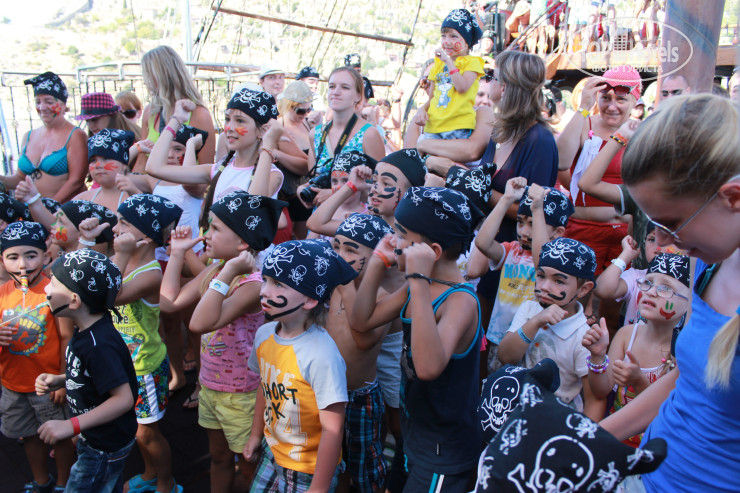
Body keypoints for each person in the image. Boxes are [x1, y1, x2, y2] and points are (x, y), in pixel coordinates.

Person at [598, 94, 740, 493]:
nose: (660, 242)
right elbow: (688, 381)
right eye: (653, 225)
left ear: (732, 198)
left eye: (671, 223)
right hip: (647, 475)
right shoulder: (710, 262)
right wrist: (588, 441)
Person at [351, 187, 482, 492]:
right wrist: (376, 263)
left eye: (401, 234)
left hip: (443, 452)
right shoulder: (419, 287)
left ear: (432, 252)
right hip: (415, 437)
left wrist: (418, 281)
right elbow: (361, 321)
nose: (393, 241)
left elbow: (427, 368)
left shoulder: (460, 301)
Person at [161, 189, 285, 493]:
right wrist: (177, 254)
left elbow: (199, 323)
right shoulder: (217, 271)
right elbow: (169, 303)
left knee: (249, 466)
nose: (206, 234)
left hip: (242, 394)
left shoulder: (252, 285)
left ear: (242, 242)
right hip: (211, 386)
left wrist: (228, 271)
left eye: (215, 228)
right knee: (218, 457)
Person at [76, 195, 183, 493]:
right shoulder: (120, 261)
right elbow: (85, 282)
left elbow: (107, 296)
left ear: (146, 236)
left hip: (144, 366)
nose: (114, 228)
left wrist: (120, 253)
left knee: (146, 433)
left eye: (124, 223)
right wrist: (86, 241)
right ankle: (150, 474)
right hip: (123, 363)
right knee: (137, 431)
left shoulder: (150, 273)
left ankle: (166, 483)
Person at [244, 239, 357, 492]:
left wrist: (319, 487)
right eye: (265, 280)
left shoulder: (322, 356)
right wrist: (255, 435)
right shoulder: (264, 335)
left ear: (309, 300)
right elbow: (265, 387)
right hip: (272, 450)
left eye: (278, 284)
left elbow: (333, 428)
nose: (264, 291)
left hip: (308, 468)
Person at [35, 249, 138, 493]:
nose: (46, 289)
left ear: (74, 300)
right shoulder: (86, 330)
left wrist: (70, 426)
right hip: (94, 436)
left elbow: (123, 399)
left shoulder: (98, 344)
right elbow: (93, 375)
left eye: (53, 284)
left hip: (103, 445)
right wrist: (62, 379)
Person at [557, 65, 642, 324]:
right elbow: (561, 161)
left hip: (625, 237)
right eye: (606, 97)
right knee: (572, 307)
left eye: (621, 99)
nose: (612, 106)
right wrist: (583, 107)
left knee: (611, 313)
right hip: (584, 229)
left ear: (635, 101)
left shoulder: (643, 132)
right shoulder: (586, 123)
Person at [583, 253, 690, 447]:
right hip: (616, 442)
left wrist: (639, 381)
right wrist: (597, 356)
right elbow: (601, 390)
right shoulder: (626, 335)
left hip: (653, 448)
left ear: (690, 304)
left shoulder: (682, 352)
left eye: (666, 288)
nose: (651, 292)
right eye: (648, 283)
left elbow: (669, 413)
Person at [0, 222, 74, 493]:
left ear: (46, 256)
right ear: (2, 260)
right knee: (29, 435)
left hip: (48, 386)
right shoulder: (2, 295)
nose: (22, 265)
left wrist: (63, 379)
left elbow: (66, 337)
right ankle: (41, 481)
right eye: (13, 257)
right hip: (12, 385)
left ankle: (64, 484)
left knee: (59, 437)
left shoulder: (54, 293)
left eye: (31, 255)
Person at [145, 91, 283, 232]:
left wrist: (268, 144)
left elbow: (251, 209)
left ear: (263, 130)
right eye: (227, 119)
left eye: (240, 121)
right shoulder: (218, 170)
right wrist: (176, 120)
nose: (229, 127)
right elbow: (154, 168)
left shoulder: (272, 174)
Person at [498, 237, 603, 420]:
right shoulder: (529, 310)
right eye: (541, 276)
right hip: (517, 414)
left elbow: (594, 398)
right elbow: (505, 356)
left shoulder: (584, 337)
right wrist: (535, 322)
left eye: (559, 281)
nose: (545, 287)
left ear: (584, 289)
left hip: (558, 423)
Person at [475, 178, 573, 373]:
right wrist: (506, 199)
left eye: (533, 224)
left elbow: (542, 262)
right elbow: (483, 243)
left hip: (534, 342)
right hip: (501, 338)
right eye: (520, 222)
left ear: (558, 232)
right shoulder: (512, 250)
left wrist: (538, 209)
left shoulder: (558, 263)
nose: (524, 231)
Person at [326, 213, 394, 493]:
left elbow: (364, 340)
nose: (340, 256)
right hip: (326, 392)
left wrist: (346, 288)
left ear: (377, 256)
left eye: (351, 250)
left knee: (366, 467)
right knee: (333, 461)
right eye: (336, 247)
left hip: (360, 396)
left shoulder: (382, 296)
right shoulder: (331, 287)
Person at [297, 67, 385, 208]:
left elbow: (380, 187)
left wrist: (334, 194)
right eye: (332, 86)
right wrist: (302, 190)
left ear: (358, 96)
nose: (336, 92)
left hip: (353, 217)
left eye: (345, 87)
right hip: (321, 217)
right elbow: (314, 180)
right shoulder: (315, 134)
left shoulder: (369, 134)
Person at [0, 72, 87, 203]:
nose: (42, 107)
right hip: (31, 210)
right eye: (38, 102)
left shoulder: (75, 135)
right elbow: (20, 178)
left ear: (63, 104)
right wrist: (2, 179)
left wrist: (49, 207)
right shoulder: (28, 136)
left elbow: (76, 181)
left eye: (49, 102)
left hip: (62, 211)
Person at [134, 46, 217, 173]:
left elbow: (206, 171)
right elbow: (142, 162)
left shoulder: (199, 115)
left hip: (185, 184)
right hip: (151, 183)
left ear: (162, 76)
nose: (145, 82)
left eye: (148, 75)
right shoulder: (150, 112)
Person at [414, 9, 484, 142]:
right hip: (434, 127)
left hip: (458, 127)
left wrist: (448, 62)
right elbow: (432, 98)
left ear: (467, 41)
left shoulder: (472, 63)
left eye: (453, 36)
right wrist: (422, 109)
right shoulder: (438, 65)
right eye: (443, 36)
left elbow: (462, 87)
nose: (447, 41)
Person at [275, 81, 313, 238]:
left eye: (309, 109)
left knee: (303, 240)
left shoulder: (308, 125)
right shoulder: (278, 128)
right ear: (288, 106)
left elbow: (309, 165)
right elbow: (307, 166)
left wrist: (279, 154)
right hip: (285, 194)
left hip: (305, 194)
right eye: (300, 110)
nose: (305, 114)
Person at [73, 129, 135, 213]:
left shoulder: (134, 201)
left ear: (124, 165)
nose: (98, 165)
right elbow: (58, 220)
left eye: (106, 158)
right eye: (93, 160)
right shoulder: (81, 201)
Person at [75, 92, 141, 141]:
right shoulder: (92, 142)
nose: (90, 126)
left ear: (111, 116)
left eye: (94, 119)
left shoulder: (131, 141)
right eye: (87, 121)